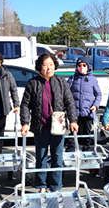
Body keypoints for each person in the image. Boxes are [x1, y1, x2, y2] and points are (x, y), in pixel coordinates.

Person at [21, 54, 78, 193]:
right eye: (46, 64)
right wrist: (25, 123)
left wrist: (73, 121)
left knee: (57, 157)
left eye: (51, 64)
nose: (49, 67)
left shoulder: (61, 82)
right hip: (40, 126)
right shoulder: (33, 83)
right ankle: (41, 185)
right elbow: (25, 105)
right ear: (40, 66)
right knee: (41, 156)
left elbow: (69, 102)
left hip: (58, 126)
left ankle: (55, 186)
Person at [65, 56, 102, 151]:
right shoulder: (72, 79)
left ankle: (87, 150)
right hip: (74, 112)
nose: (82, 67)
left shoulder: (92, 79)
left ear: (88, 66)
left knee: (87, 133)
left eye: (84, 65)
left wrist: (95, 105)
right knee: (73, 132)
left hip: (87, 112)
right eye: (79, 65)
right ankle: (71, 149)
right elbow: (66, 93)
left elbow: (98, 94)